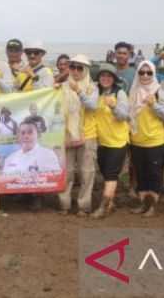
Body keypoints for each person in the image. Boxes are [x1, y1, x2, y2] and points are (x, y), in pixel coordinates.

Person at [81, 63, 130, 218]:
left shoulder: (119, 93)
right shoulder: (97, 92)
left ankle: (102, 207)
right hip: (102, 141)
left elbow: (124, 116)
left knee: (110, 175)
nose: (105, 78)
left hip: (118, 141)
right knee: (105, 172)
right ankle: (111, 202)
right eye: (103, 75)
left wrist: (114, 106)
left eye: (109, 76)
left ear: (114, 79)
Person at [128, 60, 164, 217]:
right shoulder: (133, 91)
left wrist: (154, 105)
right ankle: (143, 204)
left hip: (155, 140)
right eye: (142, 72)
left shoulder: (159, 92)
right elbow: (129, 115)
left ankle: (152, 206)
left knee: (154, 174)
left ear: (153, 74)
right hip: (136, 140)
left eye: (149, 73)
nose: (145, 75)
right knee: (141, 174)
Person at [56, 54, 97, 217]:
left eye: (80, 68)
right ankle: (64, 204)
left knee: (87, 172)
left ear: (86, 70)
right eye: (72, 67)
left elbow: (92, 106)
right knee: (67, 172)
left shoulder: (92, 87)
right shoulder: (62, 86)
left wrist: (79, 91)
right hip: (66, 134)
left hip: (87, 134)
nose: (76, 71)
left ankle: (84, 206)